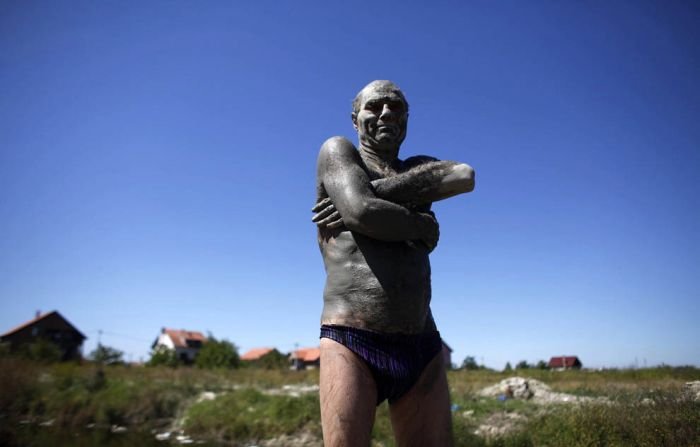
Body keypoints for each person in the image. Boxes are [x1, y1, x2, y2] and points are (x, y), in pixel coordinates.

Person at [313, 80, 475, 446]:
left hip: (422, 343)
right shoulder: (337, 151)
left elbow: (465, 176)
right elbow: (360, 212)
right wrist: (419, 222)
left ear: (406, 119)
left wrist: (370, 193)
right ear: (355, 119)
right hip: (352, 339)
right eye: (374, 106)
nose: (386, 112)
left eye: (396, 107)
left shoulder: (418, 166)